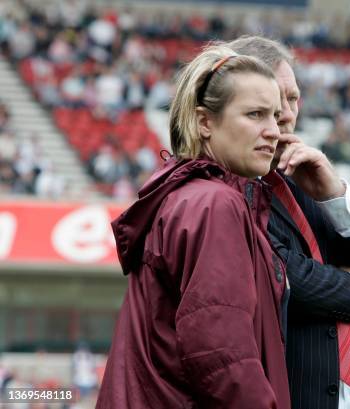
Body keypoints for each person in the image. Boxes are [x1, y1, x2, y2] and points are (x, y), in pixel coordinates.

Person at [96, 45, 291, 409]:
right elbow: (222, 355)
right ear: (205, 122)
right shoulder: (213, 204)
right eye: (255, 114)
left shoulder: (194, 197)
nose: (273, 131)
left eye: (275, 117)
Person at [228, 36, 350, 409]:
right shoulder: (223, 191)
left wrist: (335, 194)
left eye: (292, 99)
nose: (287, 113)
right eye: (274, 102)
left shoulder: (306, 180)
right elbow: (290, 282)